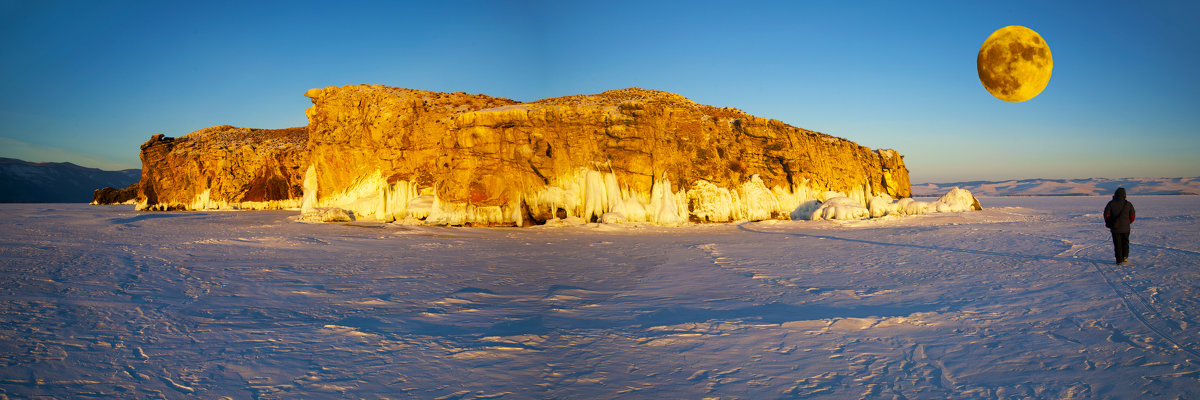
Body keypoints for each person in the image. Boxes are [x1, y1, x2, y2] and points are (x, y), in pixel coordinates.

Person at [1103, 187, 1136, 265]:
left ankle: (1119, 260)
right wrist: (1128, 223)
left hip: (1115, 228)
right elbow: (1132, 216)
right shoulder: (1128, 204)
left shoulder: (1110, 204)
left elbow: (1106, 215)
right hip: (1126, 228)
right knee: (1125, 242)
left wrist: (1111, 223)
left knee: (1117, 243)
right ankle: (1125, 256)